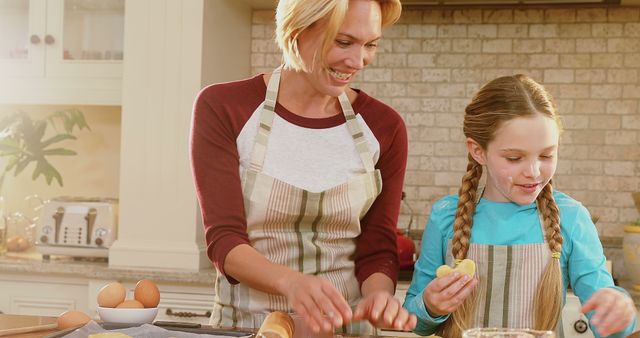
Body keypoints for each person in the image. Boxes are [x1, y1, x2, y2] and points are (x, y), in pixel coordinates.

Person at [190, 0, 416, 334]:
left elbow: (377, 243)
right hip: (248, 327)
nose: (357, 61)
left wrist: (380, 297)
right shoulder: (224, 107)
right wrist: (292, 284)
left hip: (346, 329)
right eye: (343, 42)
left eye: (370, 45)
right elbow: (224, 241)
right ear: (295, 32)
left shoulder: (385, 126)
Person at [403, 74, 638, 337]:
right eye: (515, 158)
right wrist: (430, 306)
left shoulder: (571, 218)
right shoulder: (446, 216)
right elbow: (415, 321)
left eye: (547, 155)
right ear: (478, 151)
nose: (534, 171)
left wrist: (619, 310)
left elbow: (608, 319)